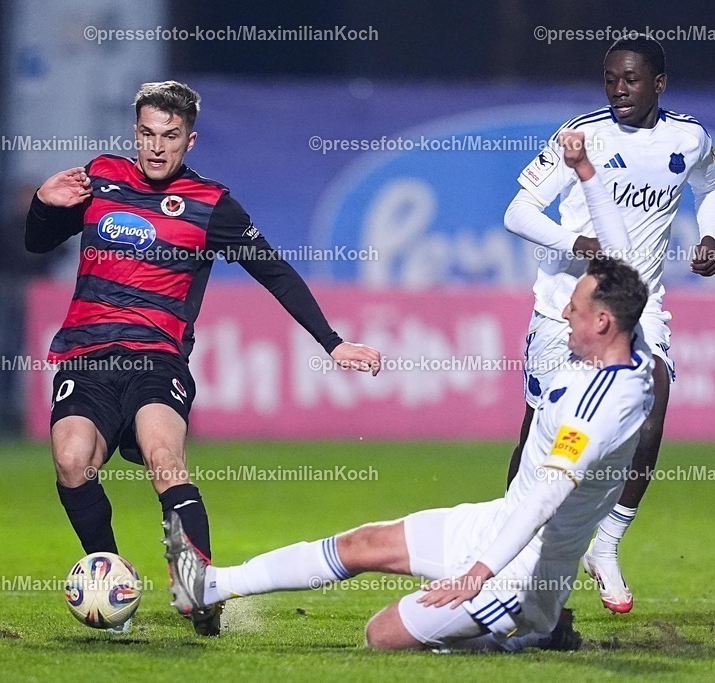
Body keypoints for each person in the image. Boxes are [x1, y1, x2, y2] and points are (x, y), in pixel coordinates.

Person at [25, 80, 381, 636]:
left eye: (170, 135)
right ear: (134, 132)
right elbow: (37, 243)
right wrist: (43, 206)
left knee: (163, 456)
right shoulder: (101, 178)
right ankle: (112, 579)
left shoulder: (211, 204)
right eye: (147, 133)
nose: (156, 146)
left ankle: (201, 593)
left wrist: (332, 342)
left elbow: (273, 269)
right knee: (72, 461)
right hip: (87, 355)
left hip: (156, 359)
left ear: (190, 140)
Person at [165, 251, 654, 650]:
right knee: (362, 544)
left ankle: (534, 635)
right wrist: (587, 173)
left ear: (605, 321)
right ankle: (211, 585)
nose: (565, 311)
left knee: (382, 636)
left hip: (526, 569)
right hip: (498, 523)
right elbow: (626, 263)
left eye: (576, 306)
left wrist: (478, 574)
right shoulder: (619, 348)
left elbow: (547, 495)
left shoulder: (603, 405)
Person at [503, 35, 715, 613]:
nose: (618, 90)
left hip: (639, 303)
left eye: (630, 79)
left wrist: (709, 238)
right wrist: (573, 240)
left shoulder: (689, 137)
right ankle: (510, 558)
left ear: (659, 83)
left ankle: (606, 545)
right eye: (610, 79)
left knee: (652, 414)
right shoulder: (583, 135)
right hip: (566, 303)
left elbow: (713, 185)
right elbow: (517, 212)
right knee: (539, 433)